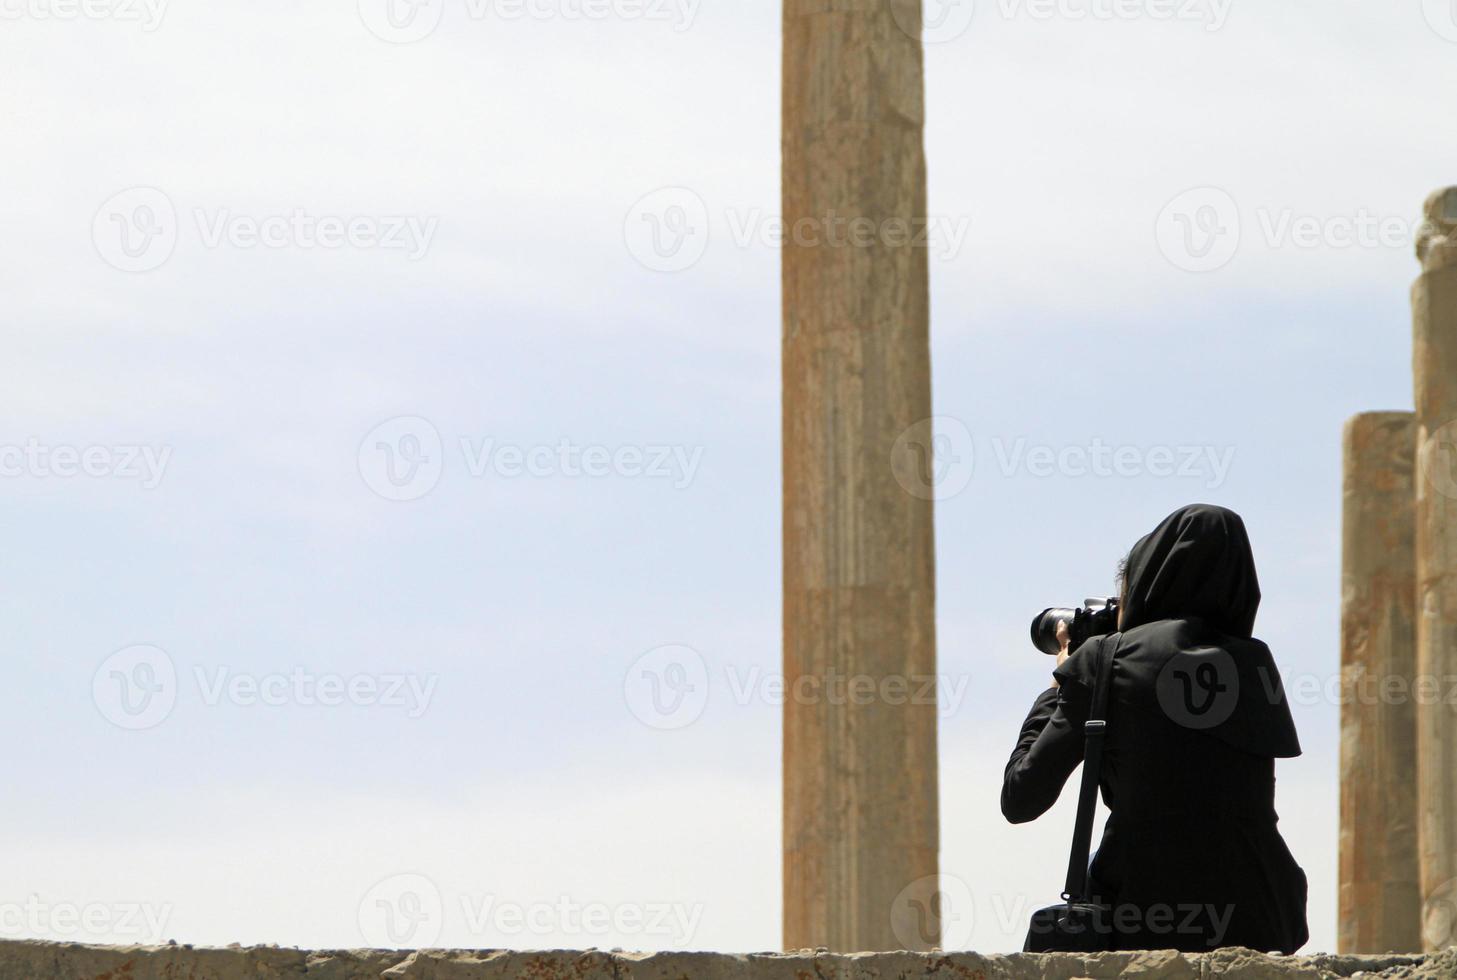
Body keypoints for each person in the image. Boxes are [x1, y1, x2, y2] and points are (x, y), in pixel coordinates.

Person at [1001, 504, 1309, 953]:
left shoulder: (1106, 658)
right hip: (1261, 914)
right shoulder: (1255, 664)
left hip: (1145, 915)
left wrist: (1061, 682)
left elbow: (1020, 797)